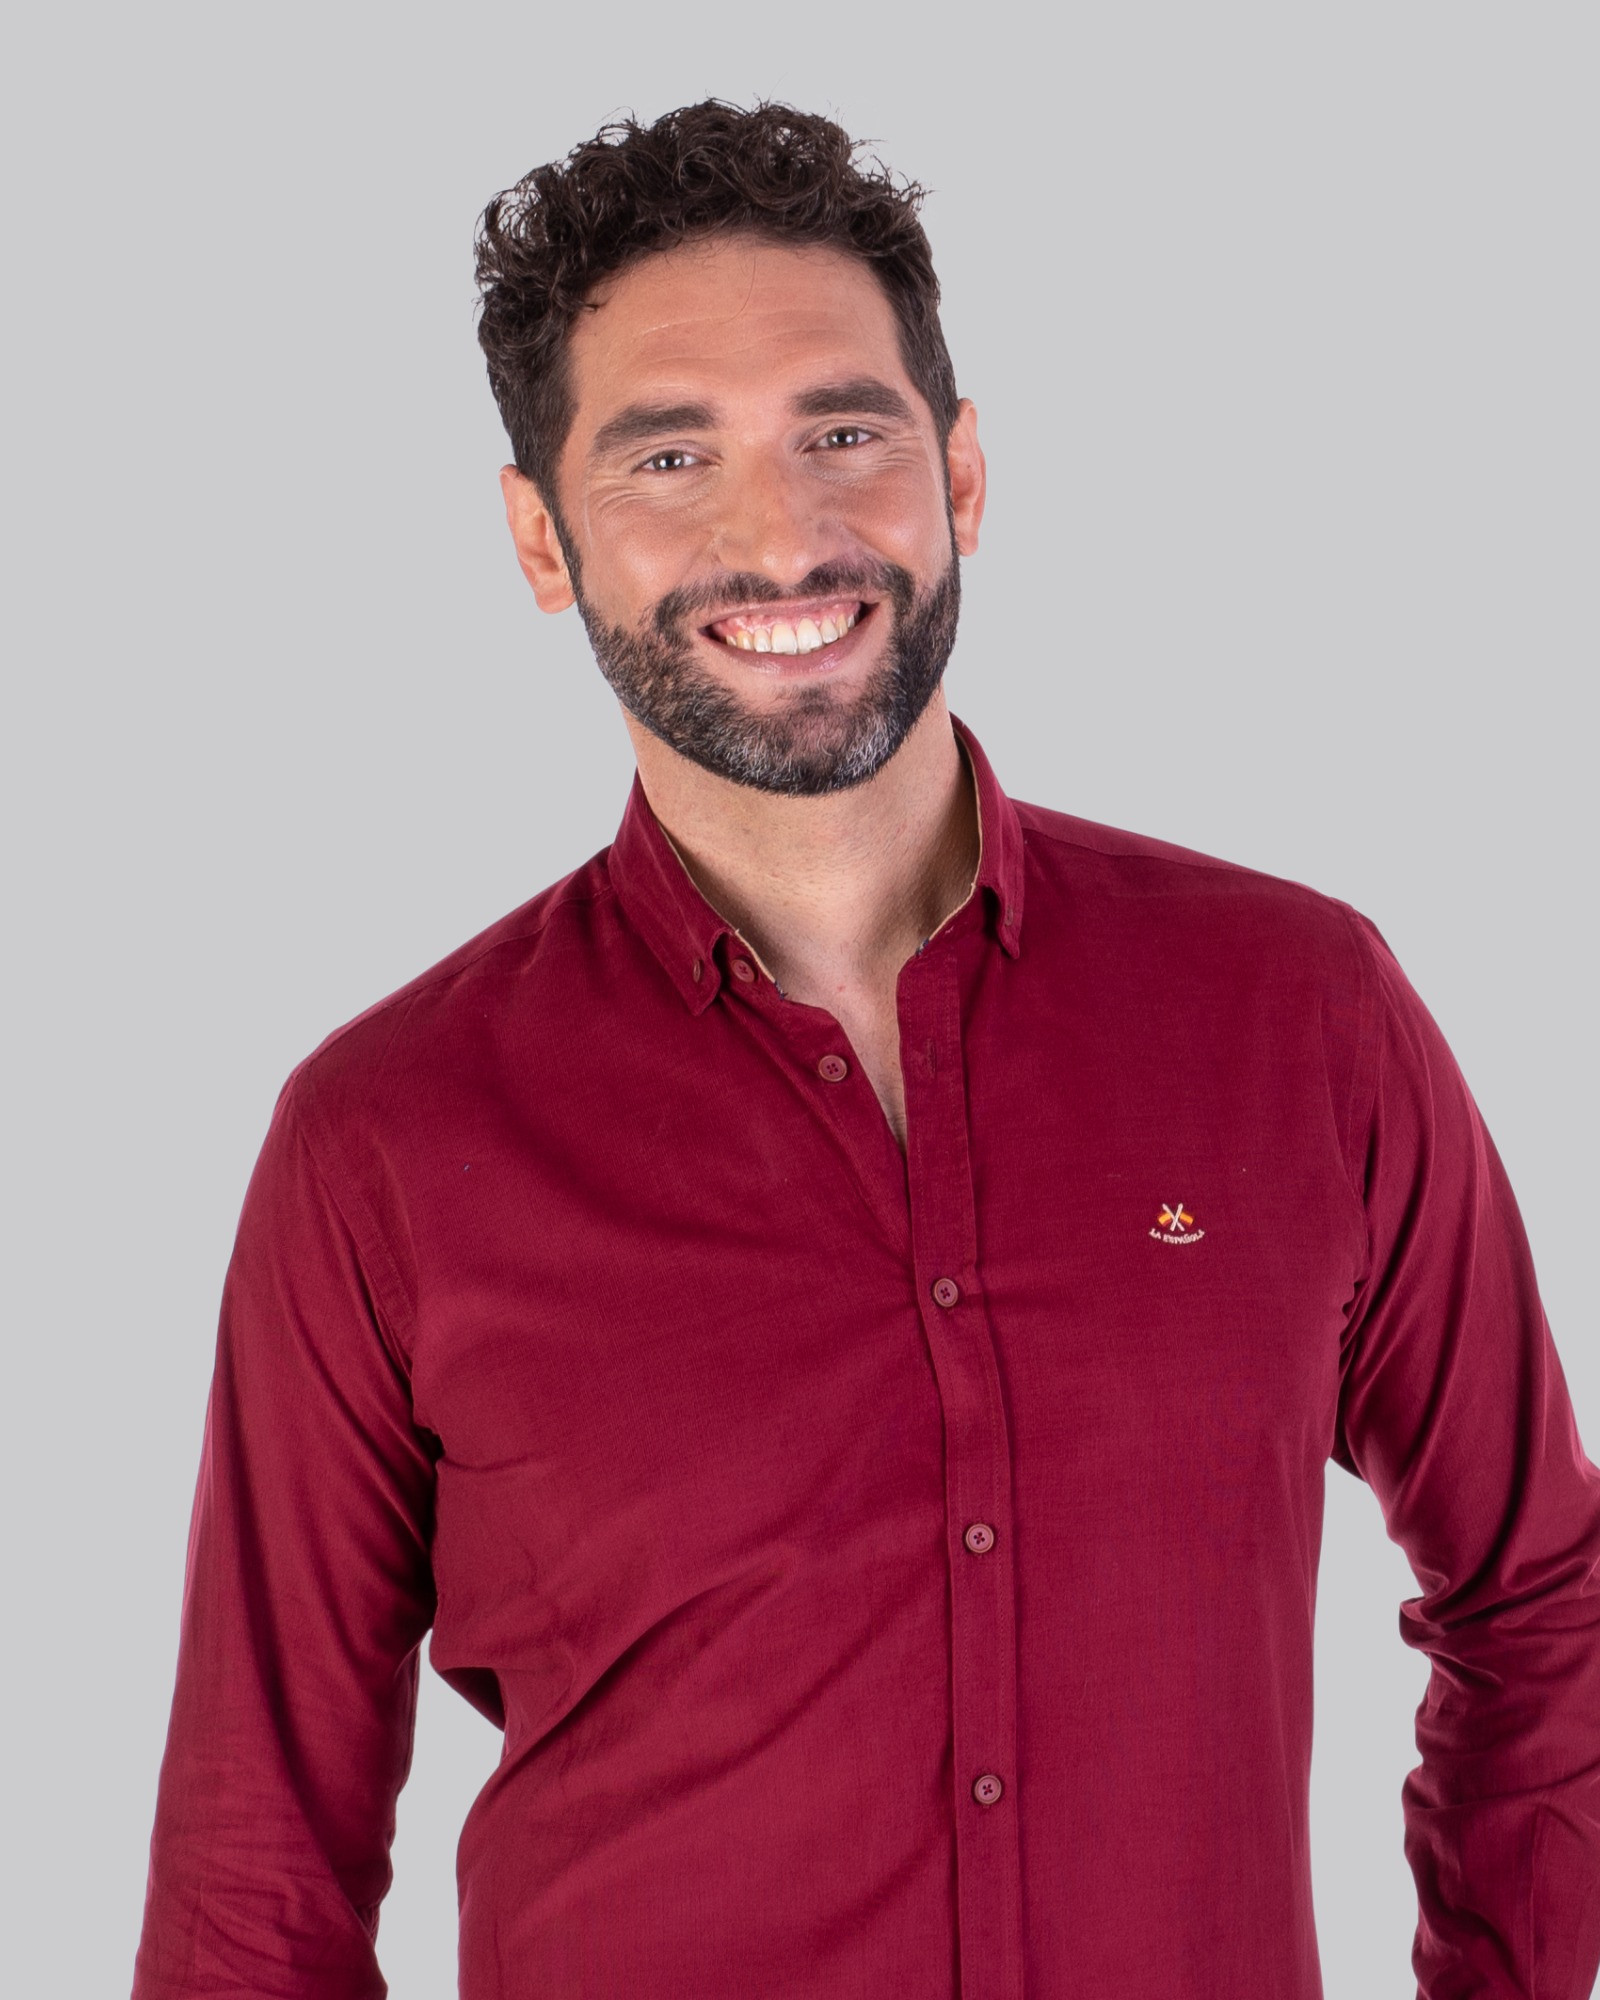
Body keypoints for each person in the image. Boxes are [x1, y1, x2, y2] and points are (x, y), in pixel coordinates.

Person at [131, 100, 1600, 2000]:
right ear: (541, 538)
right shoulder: (383, 1142)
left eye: (845, 432)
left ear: (961, 470)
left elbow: (1541, 1600)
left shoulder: (1297, 1010)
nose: (781, 536)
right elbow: (257, 1871)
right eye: (669, 457)